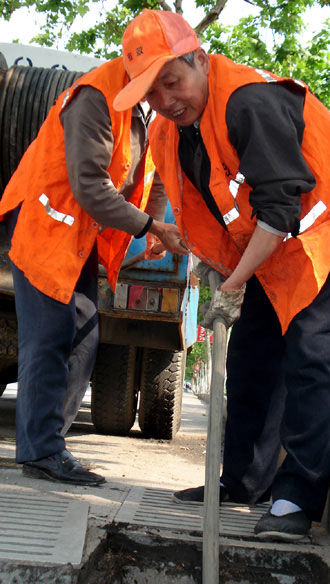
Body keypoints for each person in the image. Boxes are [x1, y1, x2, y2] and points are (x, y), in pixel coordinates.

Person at [113, 9, 330, 539]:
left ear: (198, 57)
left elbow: (281, 206)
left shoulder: (248, 100)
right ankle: (242, 483)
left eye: (171, 81)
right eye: (151, 94)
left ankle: (295, 501)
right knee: (252, 356)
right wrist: (220, 271)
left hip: (326, 226)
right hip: (270, 246)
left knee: (313, 355)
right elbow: (209, 209)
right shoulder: (175, 131)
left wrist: (235, 282)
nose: (166, 101)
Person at [0, 55, 188, 486]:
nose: (170, 93)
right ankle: (42, 450)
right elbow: (89, 185)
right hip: (44, 224)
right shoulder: (95, 98)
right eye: (164, 82)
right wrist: (150, 225)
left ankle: (50, 446)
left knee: (85, 337)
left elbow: (155, 176)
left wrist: (155, 230)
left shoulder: (152, 109)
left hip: (77, 235)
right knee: (50, 336)